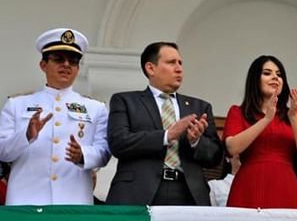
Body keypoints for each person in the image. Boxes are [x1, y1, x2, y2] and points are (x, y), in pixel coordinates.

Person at [0, 28, 110, 205]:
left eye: (73, 61)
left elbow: (104, 152)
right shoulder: (16, 104)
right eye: (58, 59)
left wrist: (82, 154)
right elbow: (3, 152)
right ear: (43, 65)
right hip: (25, 200)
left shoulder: (95, 108)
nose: (66, 65)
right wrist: (26, 136)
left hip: (74, 200)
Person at [106, 42, 223, 205]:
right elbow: (119, 143)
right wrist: (167, 135)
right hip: (138, 191)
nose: (179, 68)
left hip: (188, 193)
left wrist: (195, 141)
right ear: (150, 68)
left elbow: (215, 157)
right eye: (171, 62)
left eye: (180, 63)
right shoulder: (125, 101)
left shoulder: (200, 107)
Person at [223, 55, 297, 209]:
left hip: (285, 184)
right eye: (267, 73)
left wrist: (293, 116)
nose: (275, 78)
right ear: (254, 79)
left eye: (279, 75)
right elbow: (232, 147)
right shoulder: (238, 112)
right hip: (249, 184)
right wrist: (266, 119)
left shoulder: (295, 113)